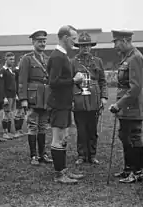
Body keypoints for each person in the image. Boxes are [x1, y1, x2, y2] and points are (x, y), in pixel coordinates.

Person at [47, 25, 85, 184]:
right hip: (58, 104)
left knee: (63, 138)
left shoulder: (63, 56)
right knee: (58, 138)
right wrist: (73, 80)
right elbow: (53, 82)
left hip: (64, 104)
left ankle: (63, 170)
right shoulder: (57, 57)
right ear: (64, 37)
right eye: (73, 38)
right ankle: (59, 175)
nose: (75, 42)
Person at [109, 30, 143, 183]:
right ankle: (128, 169)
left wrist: (118, 104)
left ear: (124, 40)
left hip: (132, 106)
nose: (115, 46)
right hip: (126, 107)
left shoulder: (135, 58)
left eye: (116, 42)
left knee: (133, 138)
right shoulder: (127, 57)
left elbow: (135, 87)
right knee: (124, 137)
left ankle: (137, 172)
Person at [71, 31, 108, 165]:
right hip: (79, 100)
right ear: (78, 47)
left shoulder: (98, 61)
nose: (85, 48)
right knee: (81, 129)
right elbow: (70, 82)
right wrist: (71, 100)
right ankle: (81, 155)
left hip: (94, 99)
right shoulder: (73, 62)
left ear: (91, 46)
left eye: (87, 45)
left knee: (92, 129)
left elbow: (103, 81)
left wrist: (104, 97)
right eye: (82, 45)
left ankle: (92, 155)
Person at [19, 30, 53, 165]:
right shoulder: (27, 59)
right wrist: (23, 99)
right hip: (32, 96)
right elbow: (22, 80)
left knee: (43, 126)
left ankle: (42, 154)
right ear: (33, 42)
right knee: (33, 126)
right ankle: (33, 155)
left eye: (44, 41)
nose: (42, 44)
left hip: (45, 97)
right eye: (40, 41)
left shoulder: (47, 59)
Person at [2, 52, 17, 140]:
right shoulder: (3, 71)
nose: (12, 61)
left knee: (10, 113)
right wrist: (4, 97)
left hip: (12, 95)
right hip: (7, 95)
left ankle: (9, 131)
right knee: (6, 113)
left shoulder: (11, 70)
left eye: (13, 59)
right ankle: (5, 132)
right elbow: (2, 85)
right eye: (10, 59)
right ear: (6, 59)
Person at [13, 55, 26, 137]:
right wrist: (16, 94)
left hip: (23, 94)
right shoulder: (15, 71)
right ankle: (17, 130)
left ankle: (20, 129)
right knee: (18, 112)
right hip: (18, 94)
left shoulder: (24, 71)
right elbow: (14, 83)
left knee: (22, 113)